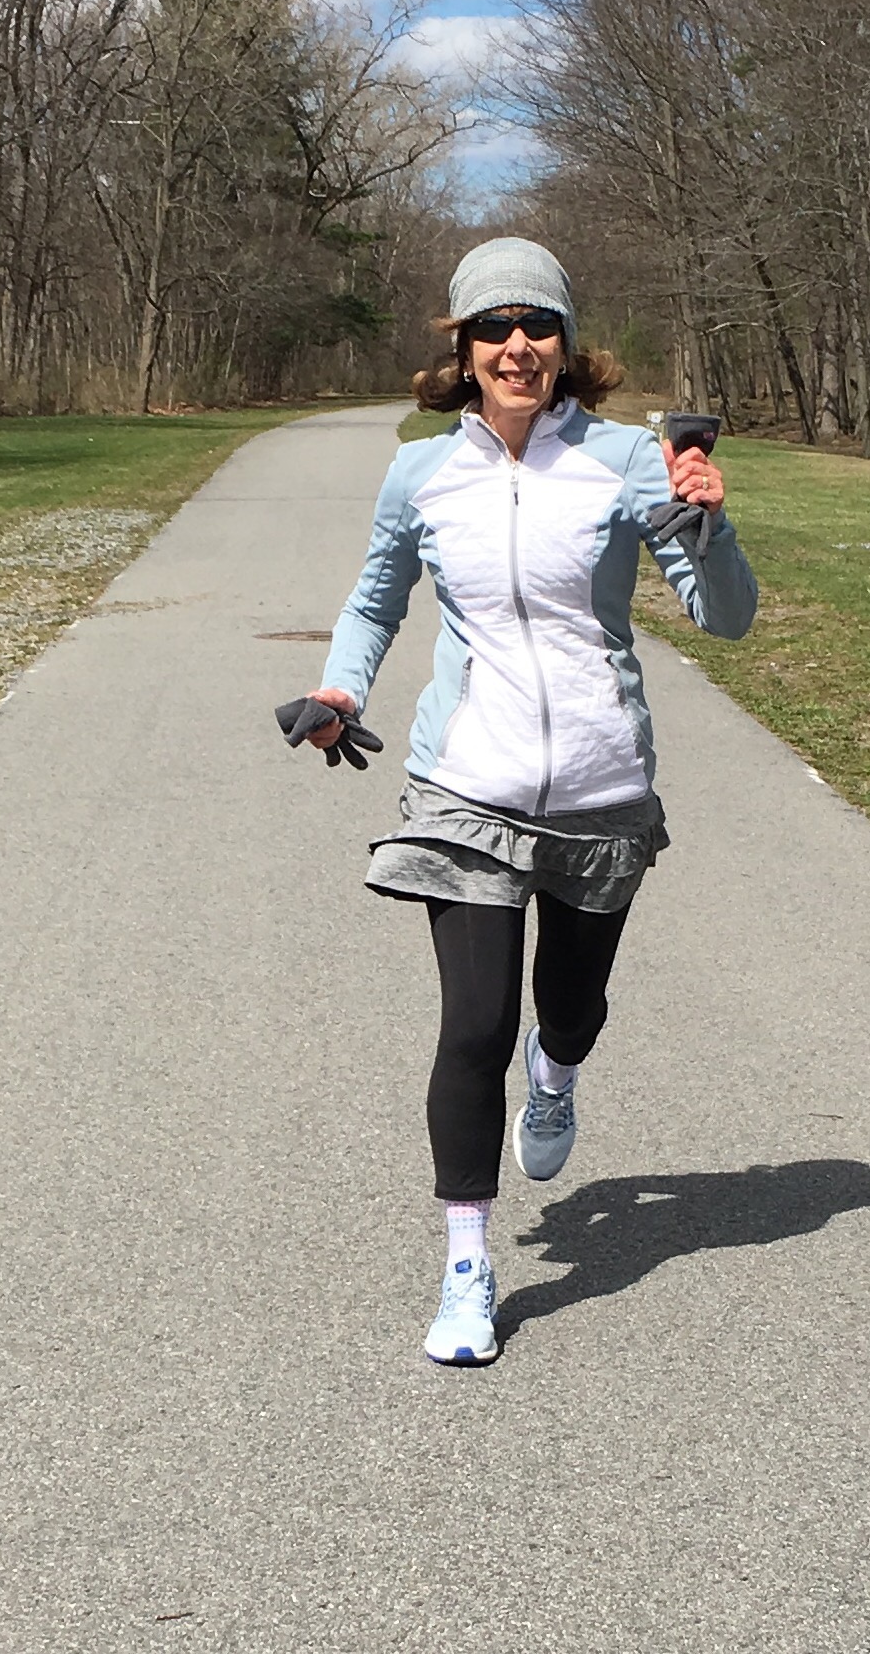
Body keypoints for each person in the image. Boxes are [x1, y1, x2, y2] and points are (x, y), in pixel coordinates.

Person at [295, 236, 758, 1365]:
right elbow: (375, 600)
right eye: (493, 326)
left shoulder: (626, 460)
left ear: (565, 343)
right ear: (462, 347)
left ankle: (556, 1075)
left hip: (600, 791)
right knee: (473, 1027)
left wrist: (710, 522)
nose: (516, 345)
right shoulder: (420, 472)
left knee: (570, 1007)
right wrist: (340, 688)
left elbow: (727, 616)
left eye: (536, 324)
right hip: (466, 790)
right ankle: (466, 1265)